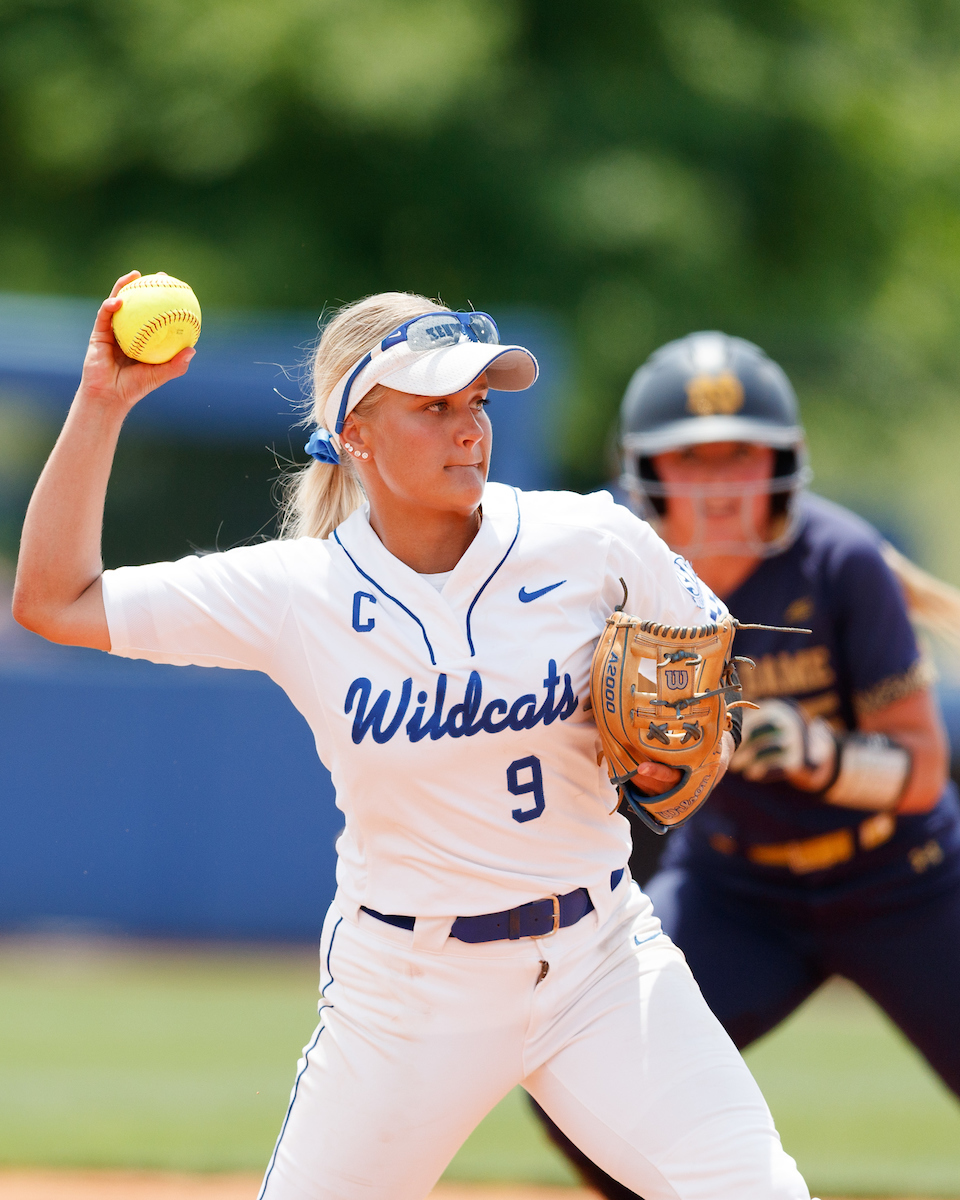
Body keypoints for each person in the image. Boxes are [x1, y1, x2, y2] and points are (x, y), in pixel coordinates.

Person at [12, 277, 817, 1200]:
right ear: (355, 431)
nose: (469, 426)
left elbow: (709, 685)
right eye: (433, 406)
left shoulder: (590, 540)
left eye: (475, 401)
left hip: (601, 961)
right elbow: (54, 599)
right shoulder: (295, 593)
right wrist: (102, 403)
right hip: (406, 993)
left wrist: (689, 748)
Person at [530, 331, 960, 1200]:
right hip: (739, 893)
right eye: (693, 460)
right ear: (648, 473)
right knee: (582, 1081)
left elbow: (923, 770)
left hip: (901, 878)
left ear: (784, 462)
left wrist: (821, 756)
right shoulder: (610, 561)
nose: (721, 480)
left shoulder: (840, 560)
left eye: (741, 455)